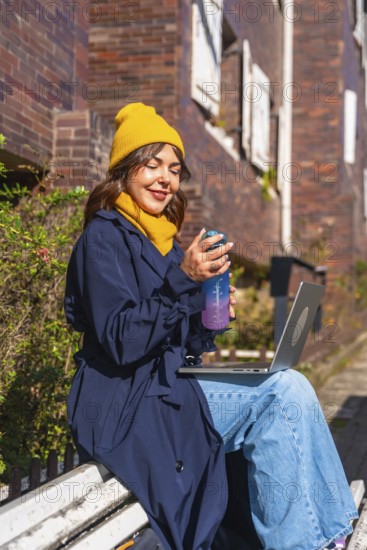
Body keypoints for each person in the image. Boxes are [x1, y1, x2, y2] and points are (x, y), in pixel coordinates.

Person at [64, 102, 358, 550]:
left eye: (175, 169)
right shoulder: (103, 237)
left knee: (287, 384)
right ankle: (315, 541)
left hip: (165, 389)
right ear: (124, 171)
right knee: (282, 393)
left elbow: (177, 341)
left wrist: (207, 319)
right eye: (152, 164)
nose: (165, 178)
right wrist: (184, 280)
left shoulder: (160, 242)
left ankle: (332, 532)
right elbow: (122, 339)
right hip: (125, 403)